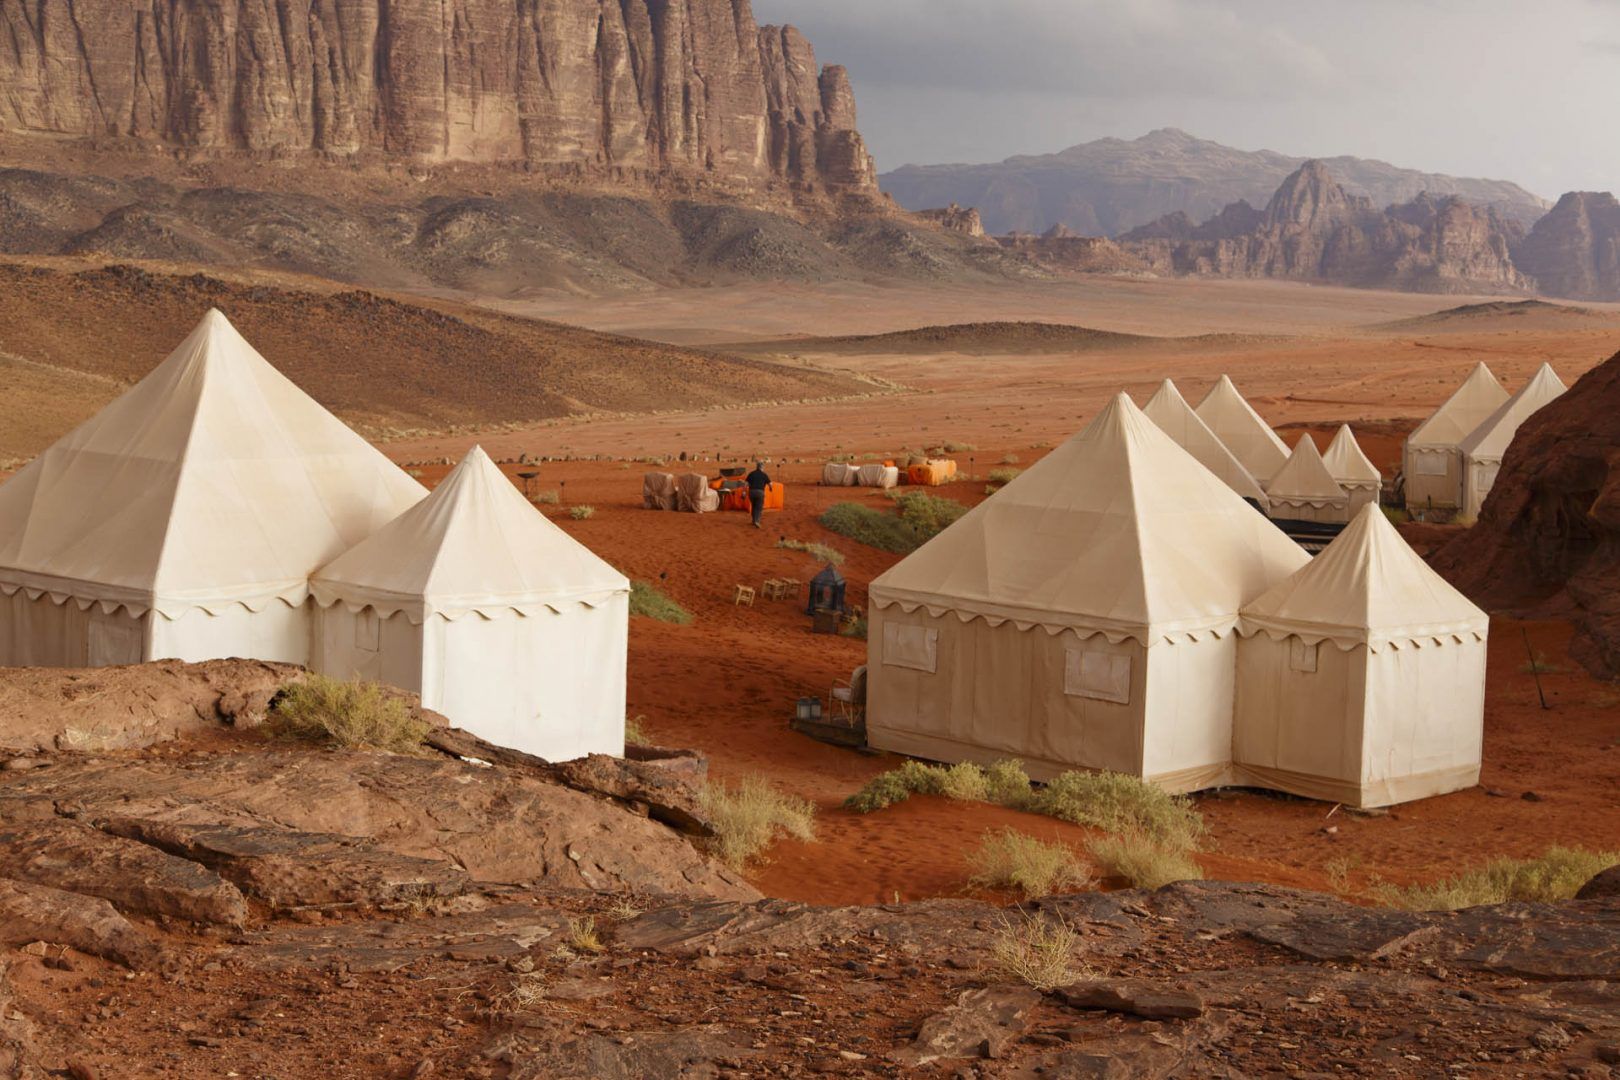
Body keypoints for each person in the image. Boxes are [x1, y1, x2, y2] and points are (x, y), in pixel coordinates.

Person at [745, 461, 771, 529]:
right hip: (760, 492)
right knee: (759, 508)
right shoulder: (764, 475)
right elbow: (770, 484)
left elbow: (746, 484)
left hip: (751, 492)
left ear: (756, 467)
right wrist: (771, 488)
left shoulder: (751, 473)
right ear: (762, 467)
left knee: (754, 506)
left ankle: (754, 520)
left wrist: (744, 492)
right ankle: (757, 521)